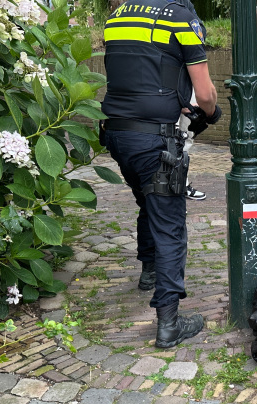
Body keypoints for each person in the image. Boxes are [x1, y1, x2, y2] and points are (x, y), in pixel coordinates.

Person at [101, 0, 220, 348]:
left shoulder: (117, 17)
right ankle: (169, 322)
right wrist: (210, 114)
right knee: (169, 222)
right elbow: (205, 93)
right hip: (155, 139)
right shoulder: (180, 18)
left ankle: (149, 270)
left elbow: (138, 73)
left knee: (147, 200)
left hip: (116, 133)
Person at [178, 92, 206, 200]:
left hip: (187, 88)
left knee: (185, 137)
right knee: (167, 137)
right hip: (165, 88)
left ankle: (182, 186)